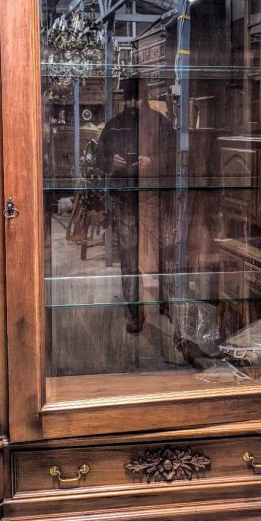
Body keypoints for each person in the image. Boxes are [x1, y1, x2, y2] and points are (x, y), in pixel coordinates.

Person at [96, 78, 175, 333]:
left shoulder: (161, 124)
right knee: (129, 255)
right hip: (125, 198)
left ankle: (165, 301)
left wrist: (153, 162)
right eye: (129, 99)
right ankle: (133, 312)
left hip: (153, 196)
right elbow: (99, 158)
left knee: (162, 251)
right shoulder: (114, 125)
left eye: (137, 98)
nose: (132, 104)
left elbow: (173, 157)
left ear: (146, 97)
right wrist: (112, 161)